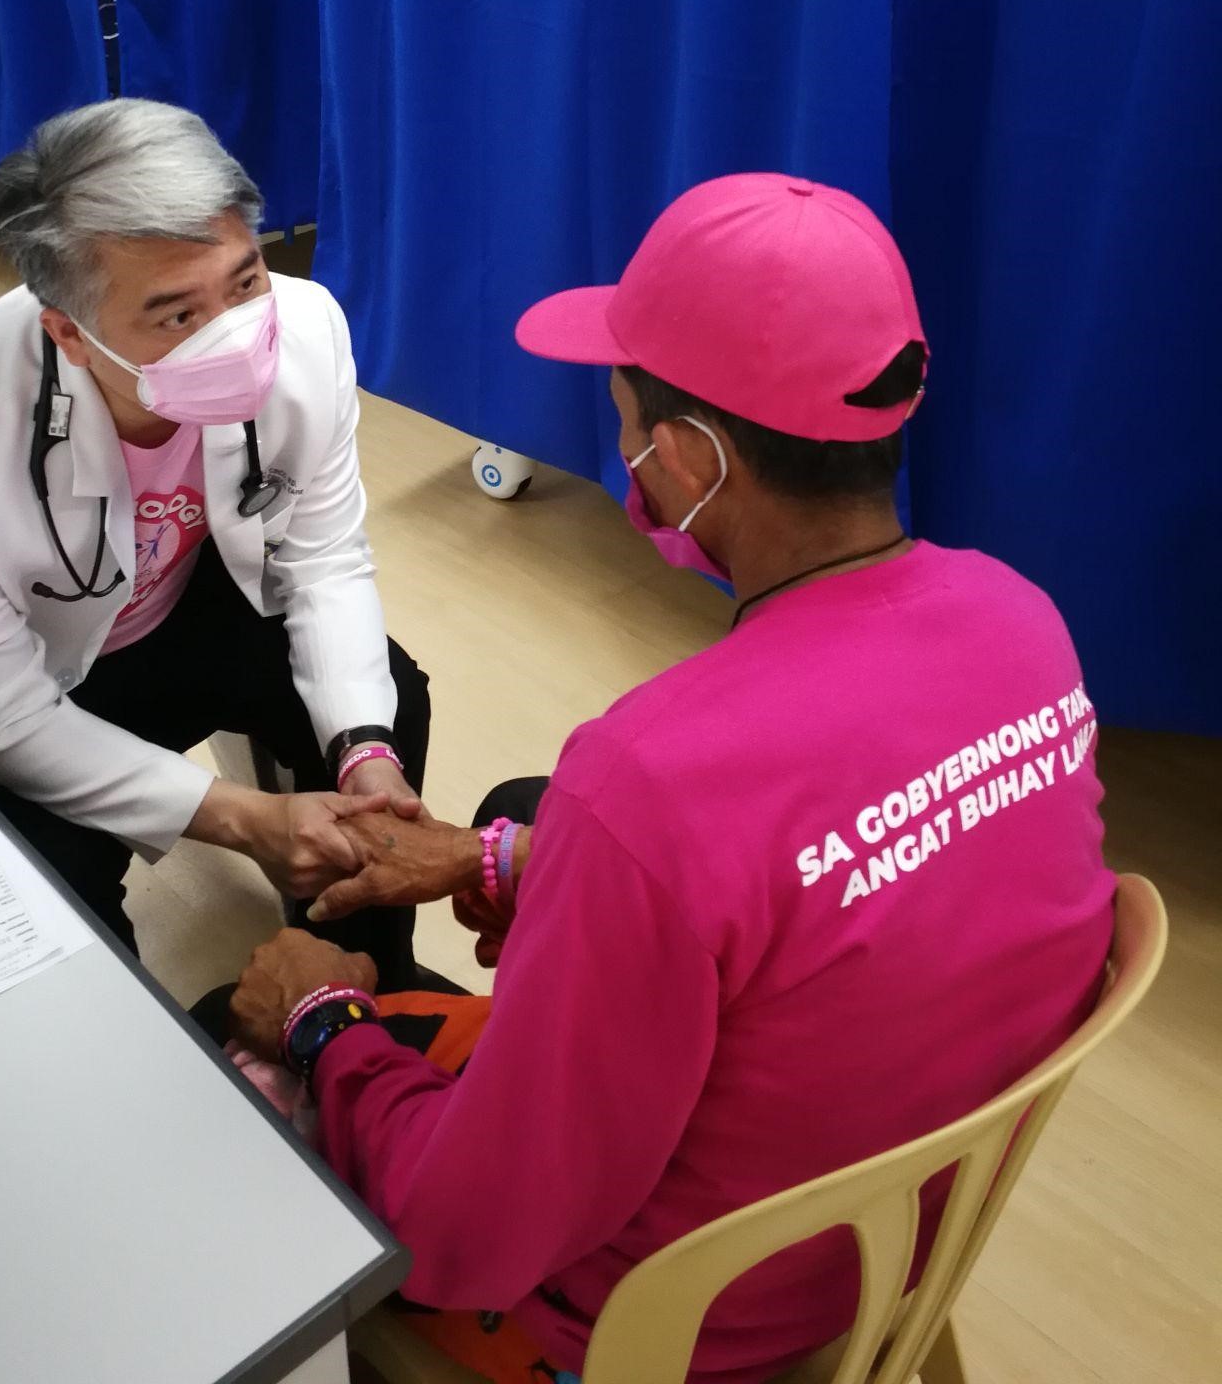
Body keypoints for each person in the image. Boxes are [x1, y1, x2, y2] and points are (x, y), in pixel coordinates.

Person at [226, 173, 1115, 1384]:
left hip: (663, 1328)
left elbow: (463, 1234)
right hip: (885, 1248)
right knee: (522, 810)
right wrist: (501, 859)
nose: (624, 447)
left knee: (230, 1037)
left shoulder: (651, 777)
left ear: (690, 454)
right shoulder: (1025, 626)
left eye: (626, 411)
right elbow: (822, 879)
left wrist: (326, 1016)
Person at [0, 98, 430, 984]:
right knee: (56, 891)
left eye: (245, 279)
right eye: (177, 316)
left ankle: (360, 997)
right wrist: (241, 819)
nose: (234, 328)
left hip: (170, 603)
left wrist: (363, 748)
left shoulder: (306, 328)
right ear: (67, 330)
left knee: (389, 704)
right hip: (19, 671)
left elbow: (325, 559)